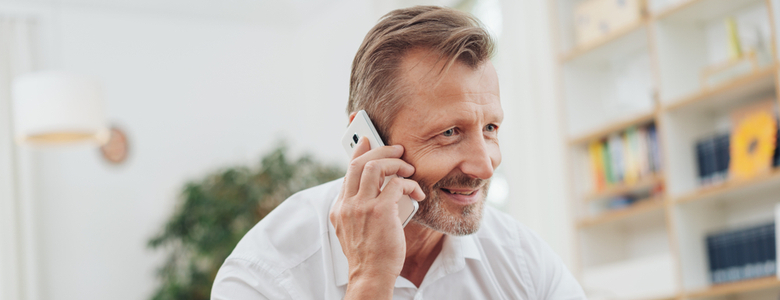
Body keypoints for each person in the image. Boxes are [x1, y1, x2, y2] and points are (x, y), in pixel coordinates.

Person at [212, 6, 586, 300]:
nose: (484, 166)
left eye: (490, 129)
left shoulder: (521, 260)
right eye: (449, 132)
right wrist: (370, 279)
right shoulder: (264, 275)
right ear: (366, 142)